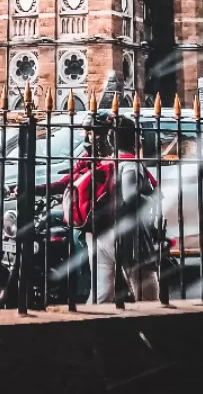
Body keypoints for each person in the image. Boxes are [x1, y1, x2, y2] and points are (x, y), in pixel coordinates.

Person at [63, 112, 158, 303]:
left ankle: (89, 328)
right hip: (126, 236)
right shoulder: (130, 164)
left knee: (101, 294)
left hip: (99, 235)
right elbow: (131, 199)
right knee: (148, 295)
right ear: (135, 139)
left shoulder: (107, 162)